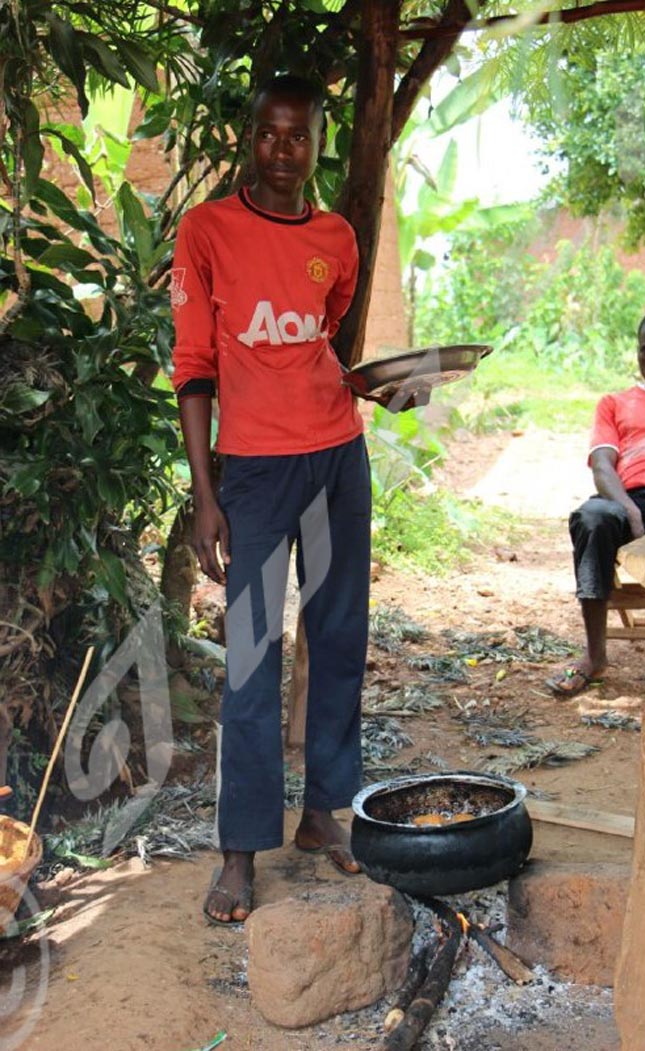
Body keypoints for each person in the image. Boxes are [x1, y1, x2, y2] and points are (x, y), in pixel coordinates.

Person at [171, 75, 372, 924]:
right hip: (253, 473)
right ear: (249, 140)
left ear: (319, 143)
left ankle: (324, 812)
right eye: (270, 135)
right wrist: (205, 495)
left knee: (336, 636)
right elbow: (194, 370)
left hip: (336, 460)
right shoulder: (207, 229)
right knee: (251, 659)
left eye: (300, 137)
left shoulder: (337, 236)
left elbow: (324, 340)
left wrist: (378, 389)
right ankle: (239, 851)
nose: (284, 151)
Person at [547, 307, 645, 698]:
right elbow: (602, 465)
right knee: (592, 516)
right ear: (637, 352)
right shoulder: (615, 403)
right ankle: (595, 657)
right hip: (622, 501)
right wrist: (629, 509)